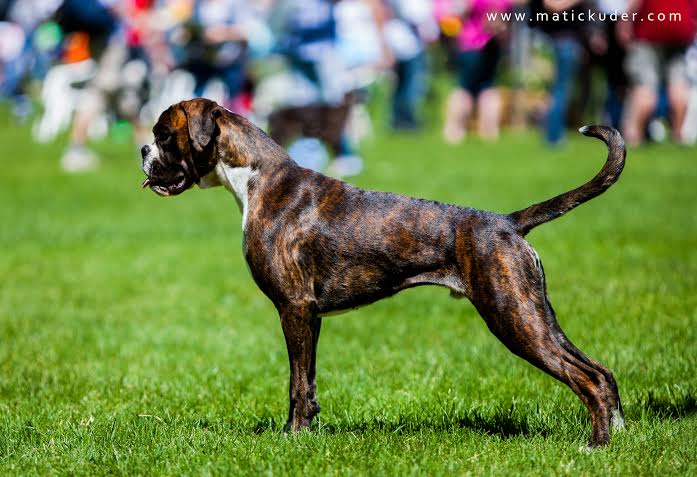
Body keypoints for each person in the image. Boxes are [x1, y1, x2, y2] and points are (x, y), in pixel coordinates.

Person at [618, 0, 696, 145]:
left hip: (649, 30)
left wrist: (624, 23)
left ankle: (633, 137)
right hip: (680, 30)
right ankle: (679, 136)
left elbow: (635, 2)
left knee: (644, 85)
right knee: (679, 83)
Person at [436, 0, 512, 143]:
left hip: (471, 44)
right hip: (492, 44)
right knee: (488, 87)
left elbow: (458, 11)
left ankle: (454, 131)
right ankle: (489, 132)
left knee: (464, 89)